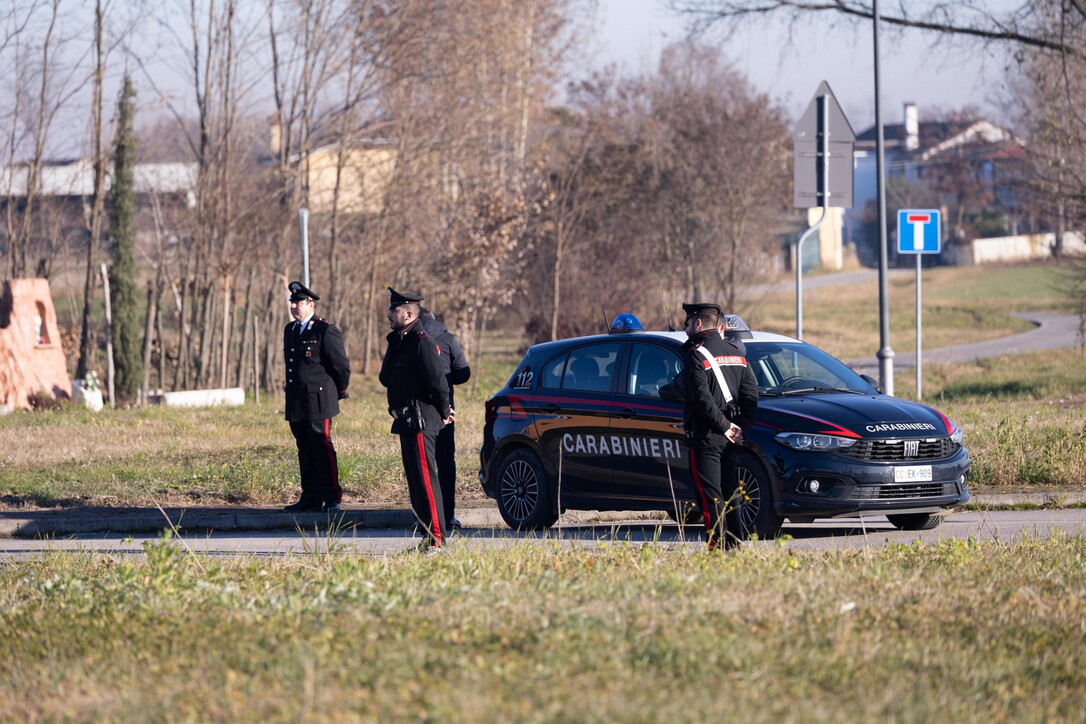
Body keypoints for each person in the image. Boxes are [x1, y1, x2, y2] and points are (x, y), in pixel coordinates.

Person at [379, 288, 455, 550]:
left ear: (409, 314)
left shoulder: (421, 342)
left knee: (426, 482)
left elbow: (438, 381)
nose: (389, 314)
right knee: (415, 483)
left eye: (395, 310)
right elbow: (385, 378)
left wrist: (445, 410)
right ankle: (427, 537)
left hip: (421, 420)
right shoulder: (400, 341)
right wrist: (393, 343)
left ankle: (437, 541)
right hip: (406, 421)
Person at [680, 302, 759, 550]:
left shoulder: (696, 355)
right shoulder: (737, 354)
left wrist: (723, 425)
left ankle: (717, 547)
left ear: (698, 323)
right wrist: (741, 428)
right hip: (732, 437)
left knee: (710, 495)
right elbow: (751, 395)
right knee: (731, 492)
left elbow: (702, 399)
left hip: (707, 437)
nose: (685, 329)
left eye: (688, 323)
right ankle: (735, 545)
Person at [282, 280, 351, 512]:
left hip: (319, 400)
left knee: (322, 448)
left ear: (311, 304)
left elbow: (340, 366)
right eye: (292, 302)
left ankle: (332, 496)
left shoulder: (324, 329)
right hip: (297, 400)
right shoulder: (290, 330)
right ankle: (310, 497)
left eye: (299, 302)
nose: (294, 306)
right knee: (304, 448)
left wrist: (340, 391)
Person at [419, 308, 471, 530]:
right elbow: (463, 373)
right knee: (446, 461)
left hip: (417, 411)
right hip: (445, 411)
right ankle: (447, 515)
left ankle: (423, 517)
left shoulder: (408, 338)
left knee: (422, 464)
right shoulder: (448, 339)